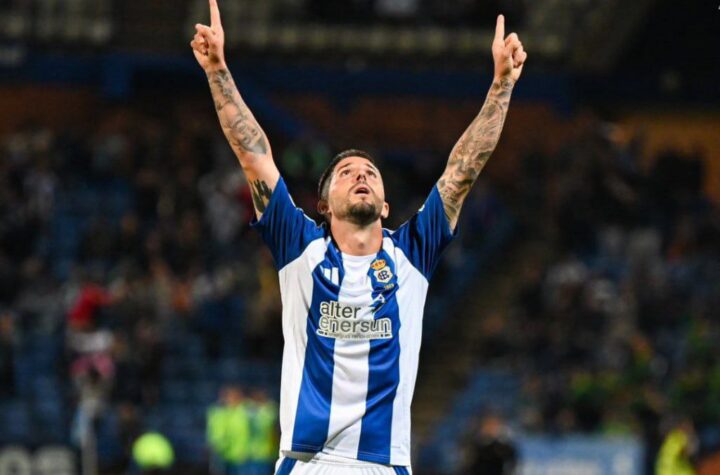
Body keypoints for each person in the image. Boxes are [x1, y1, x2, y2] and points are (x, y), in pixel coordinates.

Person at [190, 2, 526, 473]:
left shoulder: (413, 252)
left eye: (370, 171)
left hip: (384, 464)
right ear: (324, 205)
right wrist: (218, 71)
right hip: (308, 462)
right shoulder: (299, 247)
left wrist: (501, 87)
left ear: (386, 206)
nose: (361, 175)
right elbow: (254, 156)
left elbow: (461, 171)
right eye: (346, 172)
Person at [207, 385, 253, 475]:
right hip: (221, 452)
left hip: (241, 454)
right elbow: (214, 430)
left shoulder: (245, 411)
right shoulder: (219, 411)